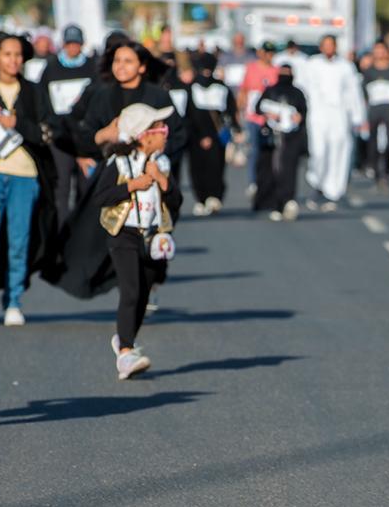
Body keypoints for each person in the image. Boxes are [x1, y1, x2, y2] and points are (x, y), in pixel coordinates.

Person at [0, 32, 58, 326]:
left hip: (26, 175)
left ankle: (14, 302)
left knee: (19, 241)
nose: (14, 60)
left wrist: (16, 122)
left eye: (18, 55)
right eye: (7, 54)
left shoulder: (34, 92)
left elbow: (48, 132)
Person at [94, 104, 174, 379]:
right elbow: (100, 197)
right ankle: (126, 353)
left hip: (153, 235)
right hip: (123, 233)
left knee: (144, 293)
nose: (166, 133)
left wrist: (161, 180)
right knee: (130, 290)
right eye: (160, 128)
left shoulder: (163, 163)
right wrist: (132, 185)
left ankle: (125, 338)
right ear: (144, 135)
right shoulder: (119, 163)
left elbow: (176, 201)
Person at [298, 34, 365, 210]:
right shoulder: (312, 64)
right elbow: (302, 88)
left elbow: (353, 92)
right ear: (321, 47)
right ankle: (318, 184)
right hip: (318, 113)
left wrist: (358, 116)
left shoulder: (346, 66)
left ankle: (333, 192)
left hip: (339, 114)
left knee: (339, 149)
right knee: (319, 150)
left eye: (331, 44)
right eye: (325, 45)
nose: (328, 48)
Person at [38, 23, 95, 226]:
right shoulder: (51, 68)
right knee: (61, 188)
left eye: (76, 44)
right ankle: (63, 232)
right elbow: (44, 102)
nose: (73, 48)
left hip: (86, 138)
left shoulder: (92, 67)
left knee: (86, 187)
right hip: (60, 139)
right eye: (69, 44)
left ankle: (82, 230)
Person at [254, 62, 308, 220]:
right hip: (272, 137)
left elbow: (303, 112)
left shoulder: (297, 93)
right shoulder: (270, 90)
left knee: (288, 170)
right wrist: (269, 114)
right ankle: (273, 203)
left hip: (291, 138)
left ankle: (287, 200)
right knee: (271, 170)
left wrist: (299, 117)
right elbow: (258, 107)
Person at [185, 51, 236, 215]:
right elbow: (188, 114)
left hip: (217, 137)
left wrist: (235, 130)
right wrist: (200, 135)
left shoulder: (221, 88)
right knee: (197, 169)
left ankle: (214, 197)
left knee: (216, 167)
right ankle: (201, 199)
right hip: (195, 137)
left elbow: (230, 111)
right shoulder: (191, 88)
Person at [361, 40, 389, 192]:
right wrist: (364, 116)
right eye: (376, 49)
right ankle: (376, 175)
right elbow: (364, 96)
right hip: (374, 110)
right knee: (373, 144)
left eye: (382, 49)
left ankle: (386, 172)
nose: (379, 53)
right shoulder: (369, 71)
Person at [238, 41, 279, 197]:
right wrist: (239, 110)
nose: (269, 56)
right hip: (252, 116)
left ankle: (269, 181)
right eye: (266, 52)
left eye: (271, 53)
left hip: (270, 118)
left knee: (270, 151)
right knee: (254, 150)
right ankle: (253, 182)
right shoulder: (251, 68)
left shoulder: (275, 70)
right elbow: (244, 90)